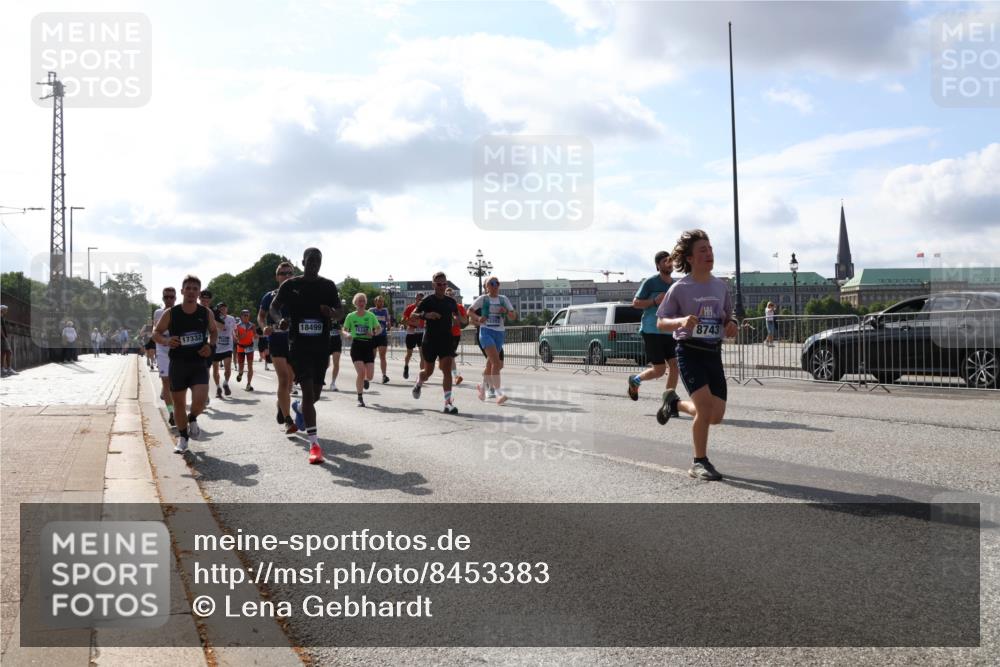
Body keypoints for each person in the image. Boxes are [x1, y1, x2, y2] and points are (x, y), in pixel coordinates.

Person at [655, 229, 738, 482]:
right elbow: (661, 322)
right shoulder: (680, 288)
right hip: (689, 352)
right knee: (704, 408)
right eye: (703, 250)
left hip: (713, 352)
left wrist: (731, 323)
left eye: (710, 249)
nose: (709, 253)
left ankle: (674, 404)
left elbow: (728, 315)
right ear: (690, 258)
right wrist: (680, 321)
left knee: (716, 416)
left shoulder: (720, 286)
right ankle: (699, 462)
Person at [271, 248, 342, 464]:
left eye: (318, 261)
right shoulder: (291, 285)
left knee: (315, 395)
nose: (314, 264)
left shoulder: (328, 285)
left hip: (321, 346)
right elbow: (274, 308)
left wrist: (331, 313)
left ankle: (299, 407)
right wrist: (279, 321)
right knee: (309, 393)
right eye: (310, 260)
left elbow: (340, 311)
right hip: (299, 346)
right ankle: (314, 444)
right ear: (303, 262)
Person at [152, 276, 218, 454]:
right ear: (182, 291)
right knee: (179, 404)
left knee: (201, 400)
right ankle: (182, 438)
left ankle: (193, 417)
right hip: (178, 364)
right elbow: (155, 333)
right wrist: (166, 340)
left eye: (195, 288)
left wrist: (209, 345)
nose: (191, 291)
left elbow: (213, 332)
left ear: (199, 292)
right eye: (188, 288)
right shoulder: (171, 313)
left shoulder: (206, 313)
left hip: (198, 363)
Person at [627, 251, 679, 408]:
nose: (669, 263)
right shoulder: (650, 282)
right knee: (660, 370)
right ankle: (635, 380)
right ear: (658, 265)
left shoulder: (675, 285)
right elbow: (635, 303)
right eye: (665, 261)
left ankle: (668, 402)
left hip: (669, 331)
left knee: (675, 367)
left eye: (670, 261)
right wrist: (655, 301)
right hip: (652, 330)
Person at [411, 272, 461, 414]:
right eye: (439, 284)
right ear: (433, 285)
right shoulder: (428, 300)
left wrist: (458, 319)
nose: (442, 286)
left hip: (446, 339)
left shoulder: (450, 301)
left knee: (447, 371)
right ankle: (419, 382)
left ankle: (447, 403)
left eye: (444, 284)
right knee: (428, 372)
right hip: (430, 340)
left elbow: (457, 315)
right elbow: (413, 315)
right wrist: (427, 315)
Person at [259, 261, 297, 434]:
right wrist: (263, 327)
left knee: (291, 381)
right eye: (282, 273)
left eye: (289, 273)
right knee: (283, 378)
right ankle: (289, 420)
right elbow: (261, 317)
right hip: (277, 340)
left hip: (295, 342)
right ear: (277, 277)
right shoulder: (269, 296)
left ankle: (281, 405)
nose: (286, 276)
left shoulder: (299, 294)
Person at [470, 277, 516, 405]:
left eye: (497, 283)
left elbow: (513, 316)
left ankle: (482, 387)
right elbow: (470, 312)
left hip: (499, 333)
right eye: (492, 283)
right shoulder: (483, 299)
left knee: (490, 364)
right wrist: (478, 318)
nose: (495, 285)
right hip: (486, 332)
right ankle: (498, 394)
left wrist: (506, 311)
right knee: (496, 362)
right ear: (486, 286)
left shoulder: (503, 299)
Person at [343, 293, 382, 407]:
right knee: (361, 372)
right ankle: (360, 397)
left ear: (365, 303)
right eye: (359, 301)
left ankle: (366, 379)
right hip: (357, 345)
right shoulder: (351, 316)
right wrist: (347, 334)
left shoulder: (370, 316)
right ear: (355, 303)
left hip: (368, 346)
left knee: (369, 376)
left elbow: (379, 329)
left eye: (363, 301)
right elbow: (344, 329)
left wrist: (373, 333)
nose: (361, 303)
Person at [153, 288, 177, 425]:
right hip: (162, 349)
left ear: (175, 298)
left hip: (177, 350)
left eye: (171, 297)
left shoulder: (180, 311)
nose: (168, 299)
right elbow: (155, 329)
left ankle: (178, 409)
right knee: (166, 383)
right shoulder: (158, 312)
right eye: (166, 297)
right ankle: (171, 412)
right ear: (163, 298)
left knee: (177, 384)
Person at [212, 302, 237, 398]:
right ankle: (218, 388)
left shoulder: (231, 319)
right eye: (220, 308)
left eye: (224, 308)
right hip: (216, 347)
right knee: (215, 369)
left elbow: (234, 330)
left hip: (228, 347)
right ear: (218, 310)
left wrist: (234, 336)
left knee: (228, 368)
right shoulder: (214, 319)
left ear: (227, 309)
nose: (223, 310)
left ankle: (225, 383)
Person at [444, 287, 468, 385]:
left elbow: (465, 321)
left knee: (450, 356)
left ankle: (455, 376)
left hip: (455, 334)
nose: (451, 296)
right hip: (443, 334)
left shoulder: (459, 307)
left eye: (452, 295)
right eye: (448, 295)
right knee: (448, 356)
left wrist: (457, 313)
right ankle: (454, 376)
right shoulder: (442, 306)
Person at [401, 293, 425, 380]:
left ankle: (421, 375)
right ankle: (406, 367)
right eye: (419, 299)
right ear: (415, 299)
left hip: (421, 333)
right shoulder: (410, 308)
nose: (420, 301)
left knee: (423, 355)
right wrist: (412, 324)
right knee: (409, 354)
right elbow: (402, 321)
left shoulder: (425, 309)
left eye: (422, 300)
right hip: (411, 333)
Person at [370, 295, 391, 384]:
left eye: (382, 301)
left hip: (382, 335)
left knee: (382, 356)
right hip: (373, 336)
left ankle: (384, 375)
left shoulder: (385, 311)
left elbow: (388, 322)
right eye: (379, 301)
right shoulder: (371, 311)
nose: (381, 303)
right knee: (372, 357)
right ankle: (369, 374)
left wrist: (389, 325)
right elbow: (367, 321)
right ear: (375, 302)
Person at [234, 309, 257, 391]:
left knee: (250, 366)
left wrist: (257, 335)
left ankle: (248, 384)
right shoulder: (237, 326)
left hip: (250, 347)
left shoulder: (252, 325)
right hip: (241, 347)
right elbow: (235, 338)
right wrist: (240, 337)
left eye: (248, 315)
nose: (246, 317)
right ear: (241, 316)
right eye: (245, 315)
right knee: (241, 367)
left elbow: (255, 335)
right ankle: (240, 374)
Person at [328, 317, 343, 392]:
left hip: (336, 342)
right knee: (326, 364)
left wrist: (347, 335)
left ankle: (333, 383)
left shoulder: (337, 319)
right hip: (326, 342)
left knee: (336, 363)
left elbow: (341, 331)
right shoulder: (323, 318)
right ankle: (318, 379)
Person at [1, 305, 15, 377]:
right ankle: (8, 369)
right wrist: (4, 337)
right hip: (2, 337)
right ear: (2, 310)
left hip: (2, 337)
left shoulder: (2, 317)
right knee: (9, 351)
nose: (7, 311)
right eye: (5, 309)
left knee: (3, 352)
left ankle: (2, 369)